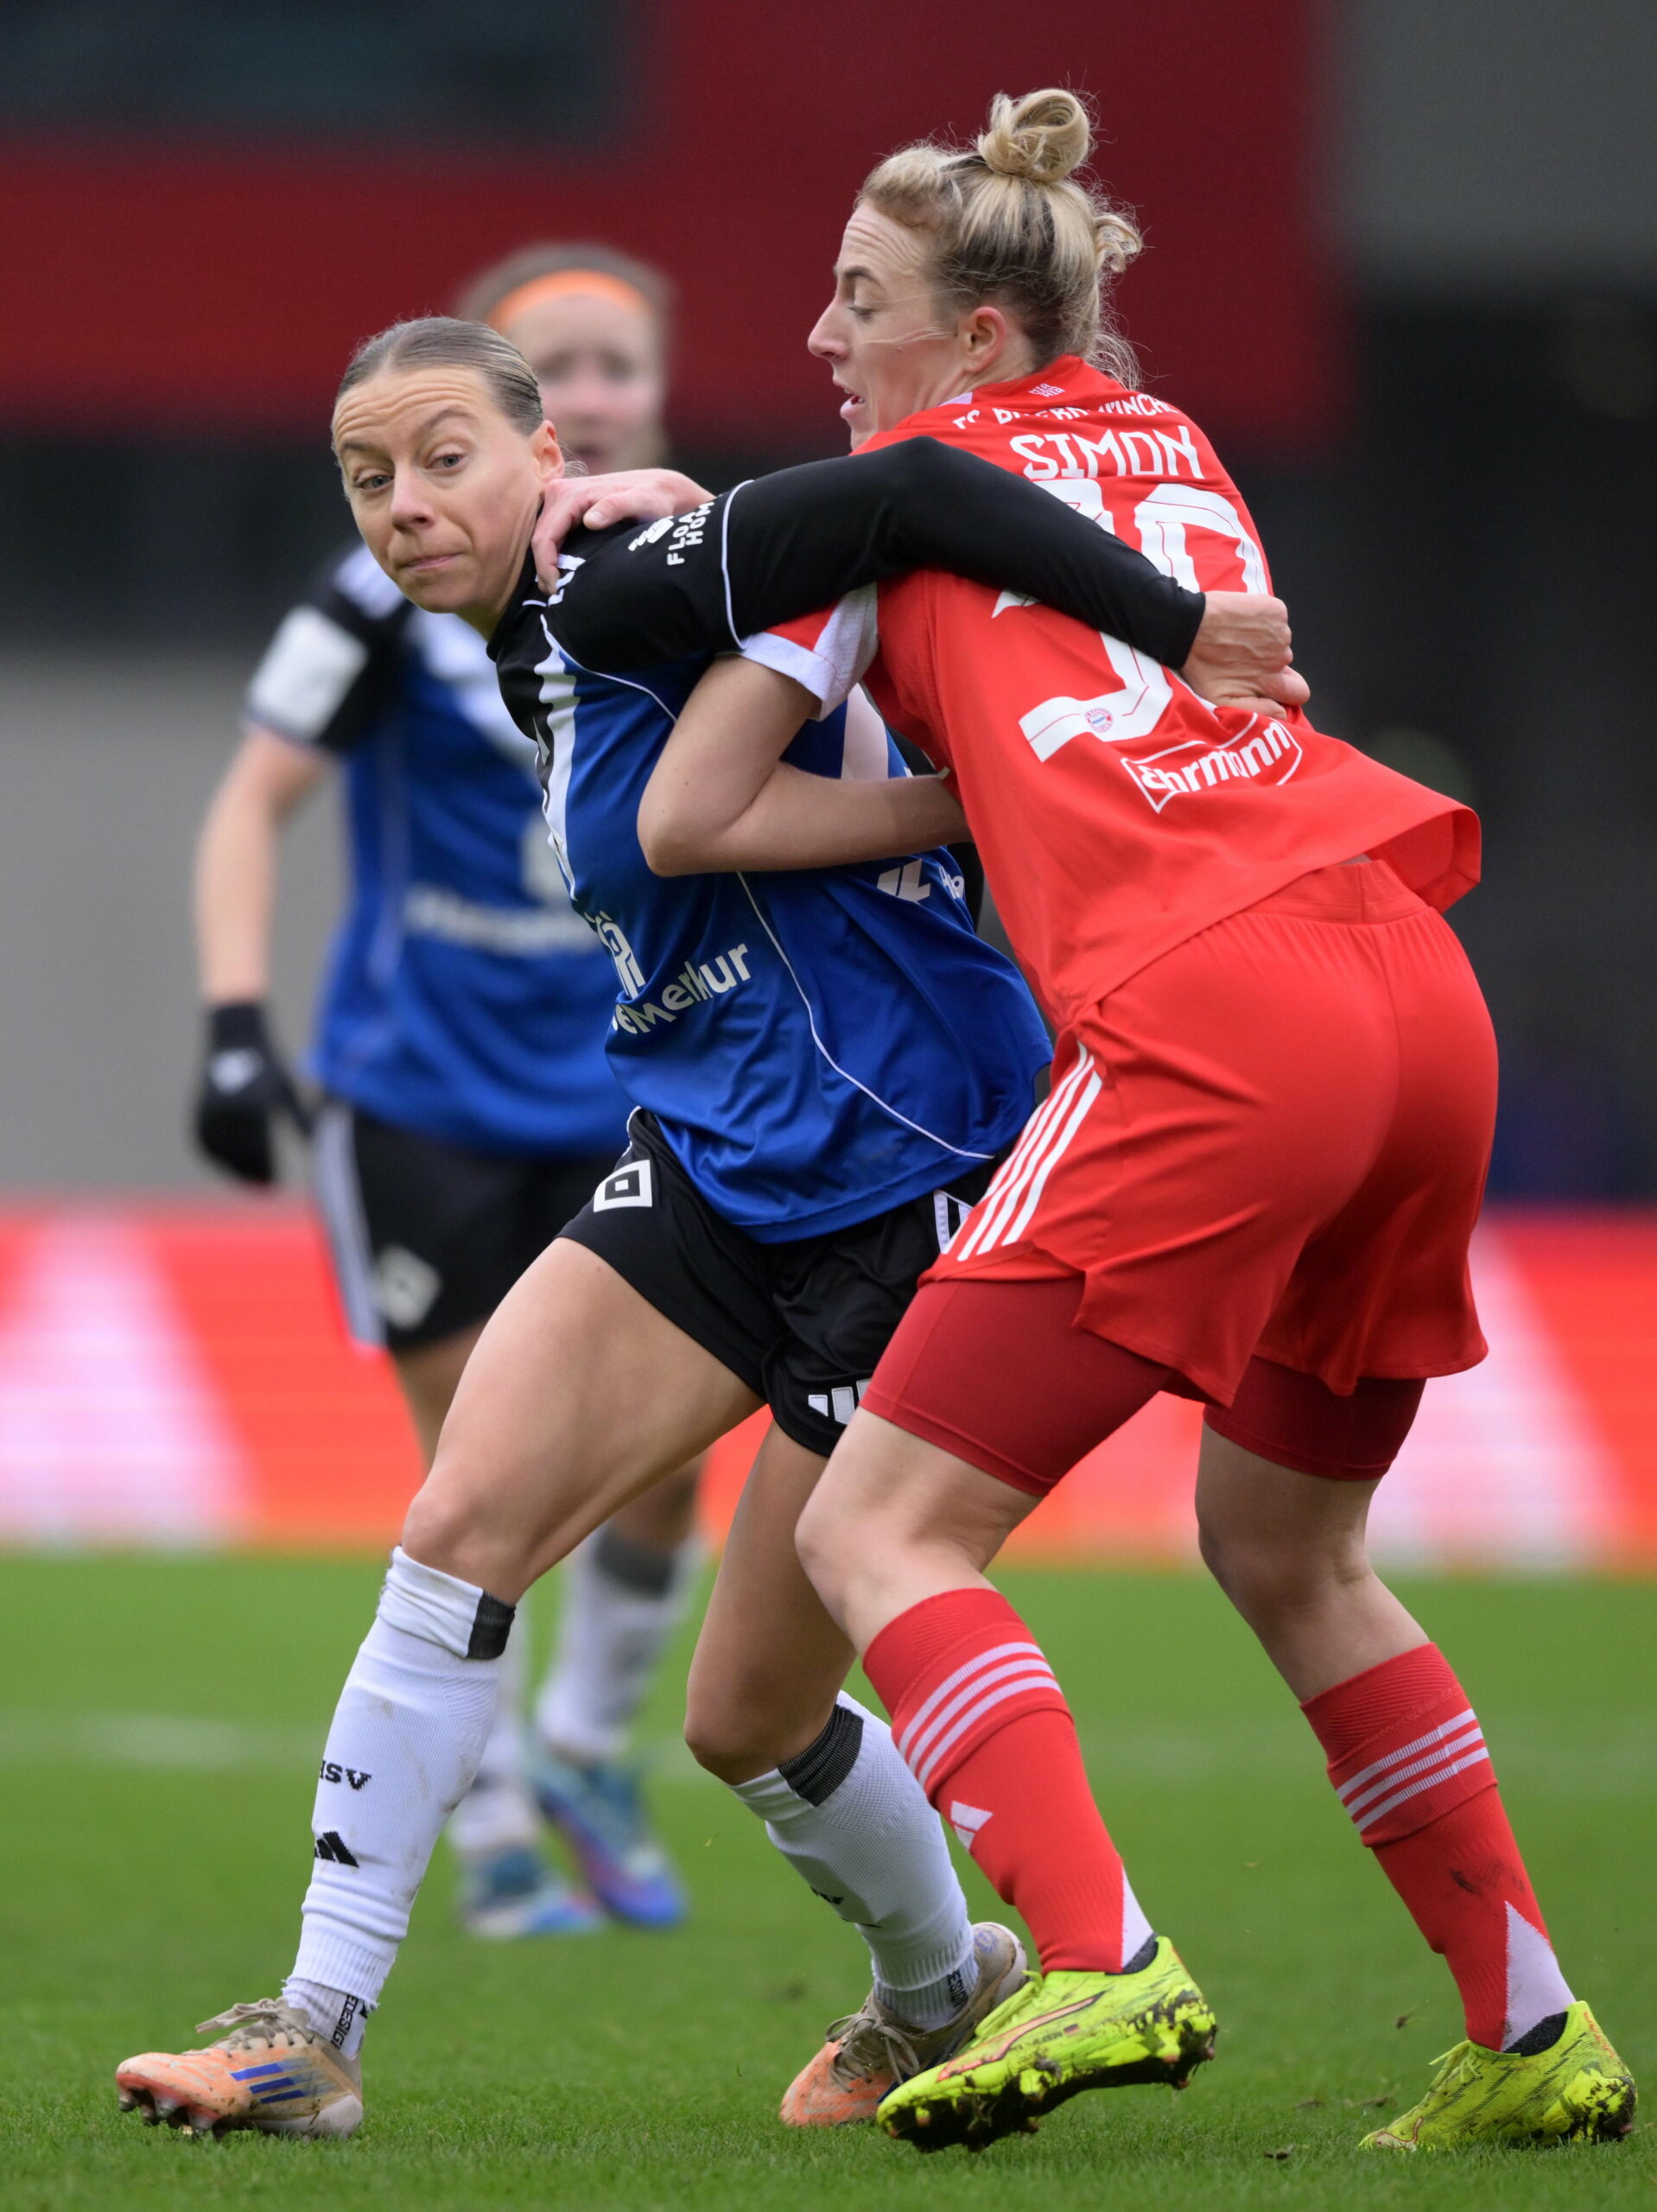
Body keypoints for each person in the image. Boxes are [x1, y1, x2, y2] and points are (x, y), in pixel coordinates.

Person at [116, 305, 1305, 2141]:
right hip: (714, 1146)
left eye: (447, 458)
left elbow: (908, 488)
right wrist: (934, 784)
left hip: (910, 1163)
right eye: (369, 477)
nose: (406, 504)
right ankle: (314, 2025)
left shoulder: (617, 584)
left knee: (745, 1713)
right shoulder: (540, 629)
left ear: (540, 461)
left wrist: (1176, 630)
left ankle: (946, 1986)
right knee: (454, 1527)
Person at [594, 90, 1637, 2156]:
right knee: (1290, 1543)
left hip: (1215, 1009)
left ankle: (1087, 1954)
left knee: (872, 1524)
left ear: (971, 338)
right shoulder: (1175, 456)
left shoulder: (892, 495)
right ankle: (1529, 2025)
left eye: (860, 297)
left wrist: (701, 563)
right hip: (1413, 980)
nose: (820, 333)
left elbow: (687, 812)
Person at [191, 244, 702, 1941]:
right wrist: (233, 1018)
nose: (592, 387)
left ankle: (577, 1750)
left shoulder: (670, 571)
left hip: (626, 1077)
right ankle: (482, 1820)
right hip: (417, 1086)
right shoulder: (375, 600)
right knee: (474, 1456)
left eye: (614, 363)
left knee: (660, 1466)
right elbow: (247, 801)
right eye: (555, 359)